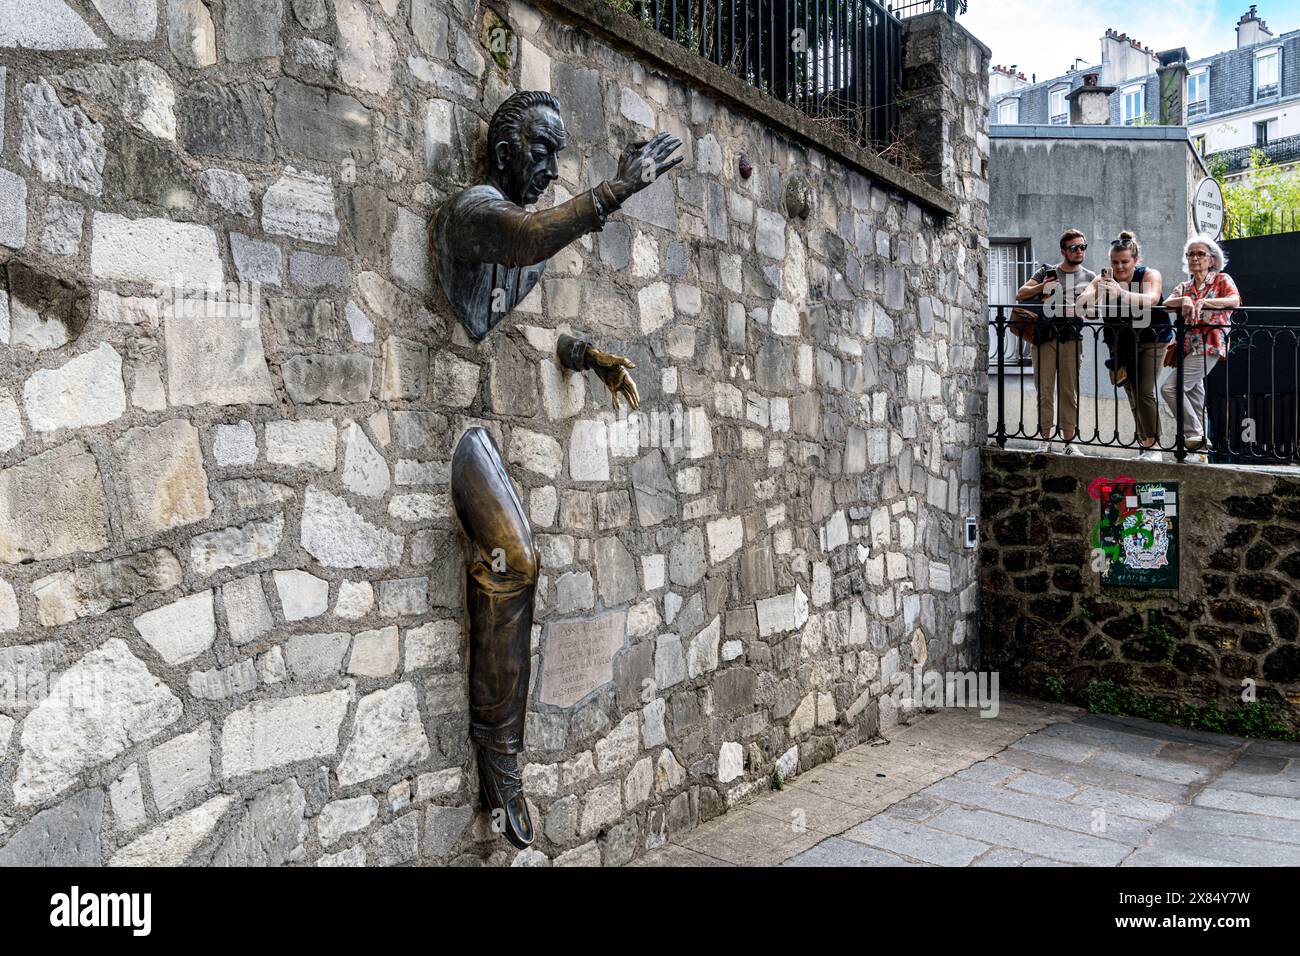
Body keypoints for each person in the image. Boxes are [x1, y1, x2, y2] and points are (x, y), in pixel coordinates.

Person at [434, 91, 683, 849]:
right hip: (442, 420)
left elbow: (519, 297)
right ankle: (500, 760)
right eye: (538, 150)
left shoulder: (526, 244)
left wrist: (583, 354)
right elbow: (521, 238)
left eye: (557, 153)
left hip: (474, 423)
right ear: (503, 149)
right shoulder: (477, 211)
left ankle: (501, 756)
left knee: (524, 560)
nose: (548, 166)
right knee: (517, 560)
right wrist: (615, 190)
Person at [1076, 232, 1165, 461]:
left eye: (1125, 261)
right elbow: (1081, 303)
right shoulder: (1104, 278)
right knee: (1133, 395)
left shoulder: (1149, 275)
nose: (1120, 266)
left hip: (1151, 339)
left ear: (1135, 260)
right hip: (1119, 344)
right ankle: (1144, 445)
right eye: (1115, 262)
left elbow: (1152, 299)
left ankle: (1155, 447)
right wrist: (1097, 292)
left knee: (1145, 392)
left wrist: (1121, 293)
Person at [1160, 234, 1241, 461]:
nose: (1195, 258)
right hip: (1187, 346)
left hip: (1210, 344)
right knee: (1194, 396)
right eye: (1191, 254)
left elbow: (1234, 300)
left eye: (1200, 254)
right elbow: (1167, 304)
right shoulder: (1185, 286)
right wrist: (1185, 300)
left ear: (1212, 259)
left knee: (1171, 388)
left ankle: (1194, 434)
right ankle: (1200, 453)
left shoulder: (1221, 279)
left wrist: (1204, 302)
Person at [1015, 229, 1096, 454]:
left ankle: (1070, 443)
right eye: (1074, 248)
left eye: (1082, 247)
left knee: (1069, 390)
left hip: (1071, 336)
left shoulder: (1090, 277)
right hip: (1044, 336)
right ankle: (1045, 440)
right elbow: (1021, 294)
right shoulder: (1046, 272)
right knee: (1045, 388)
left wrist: (1084, 309)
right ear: (1063, 251)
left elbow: (1093, 312)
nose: (1079, 251)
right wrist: (1043, 287)